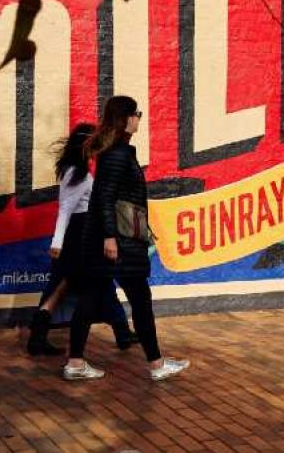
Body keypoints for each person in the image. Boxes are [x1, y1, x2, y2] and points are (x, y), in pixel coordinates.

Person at [63, 95, 189, 381]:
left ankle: (76, 363)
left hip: (111, 240)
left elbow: (112, 197)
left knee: (90, 299)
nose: (139, 119)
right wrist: (110, 237)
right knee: (140, 299)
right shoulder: (117, 154)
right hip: (118, 243)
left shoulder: (115, 152)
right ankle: (156, 364)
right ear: (125, 118)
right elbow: (105, 198)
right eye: (137, 114)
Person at [27, 123, 137, 356]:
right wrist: (57, 242)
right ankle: (121, 333)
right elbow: (65, 209)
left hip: (81, 233)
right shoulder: (77, 174)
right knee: (87, 284)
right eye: (96, 144)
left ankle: (38, 338)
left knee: (66, 286)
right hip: (81, 236)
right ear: (87, 145)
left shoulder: (76, 171)